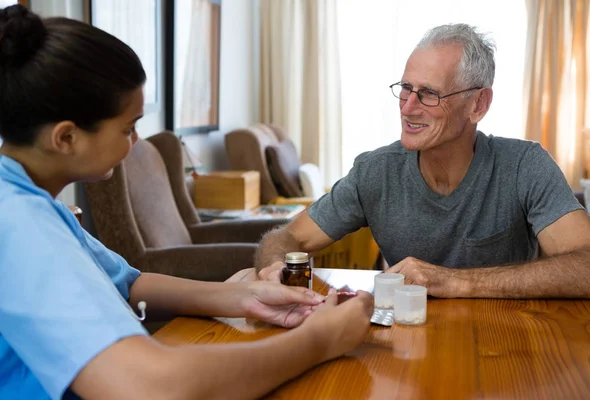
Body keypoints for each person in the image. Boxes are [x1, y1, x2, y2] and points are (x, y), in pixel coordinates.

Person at [0, 5, 374, 400]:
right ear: (66, 138)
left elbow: (130, 283)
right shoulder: (19, 222)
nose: (136, 141)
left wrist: (246, 298)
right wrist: (319, 341)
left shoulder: (34, 203)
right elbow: (149, 387)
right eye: (128, 127)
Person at [255, 23, 590, 299]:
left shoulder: (525, 166)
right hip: (409, 351)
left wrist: (456, 283)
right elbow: (286, 239)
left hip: (508, 349)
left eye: (429, 94)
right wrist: (273, 267)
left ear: (477, 105)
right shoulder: (375, 172)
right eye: (405, 88)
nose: (407, 107)